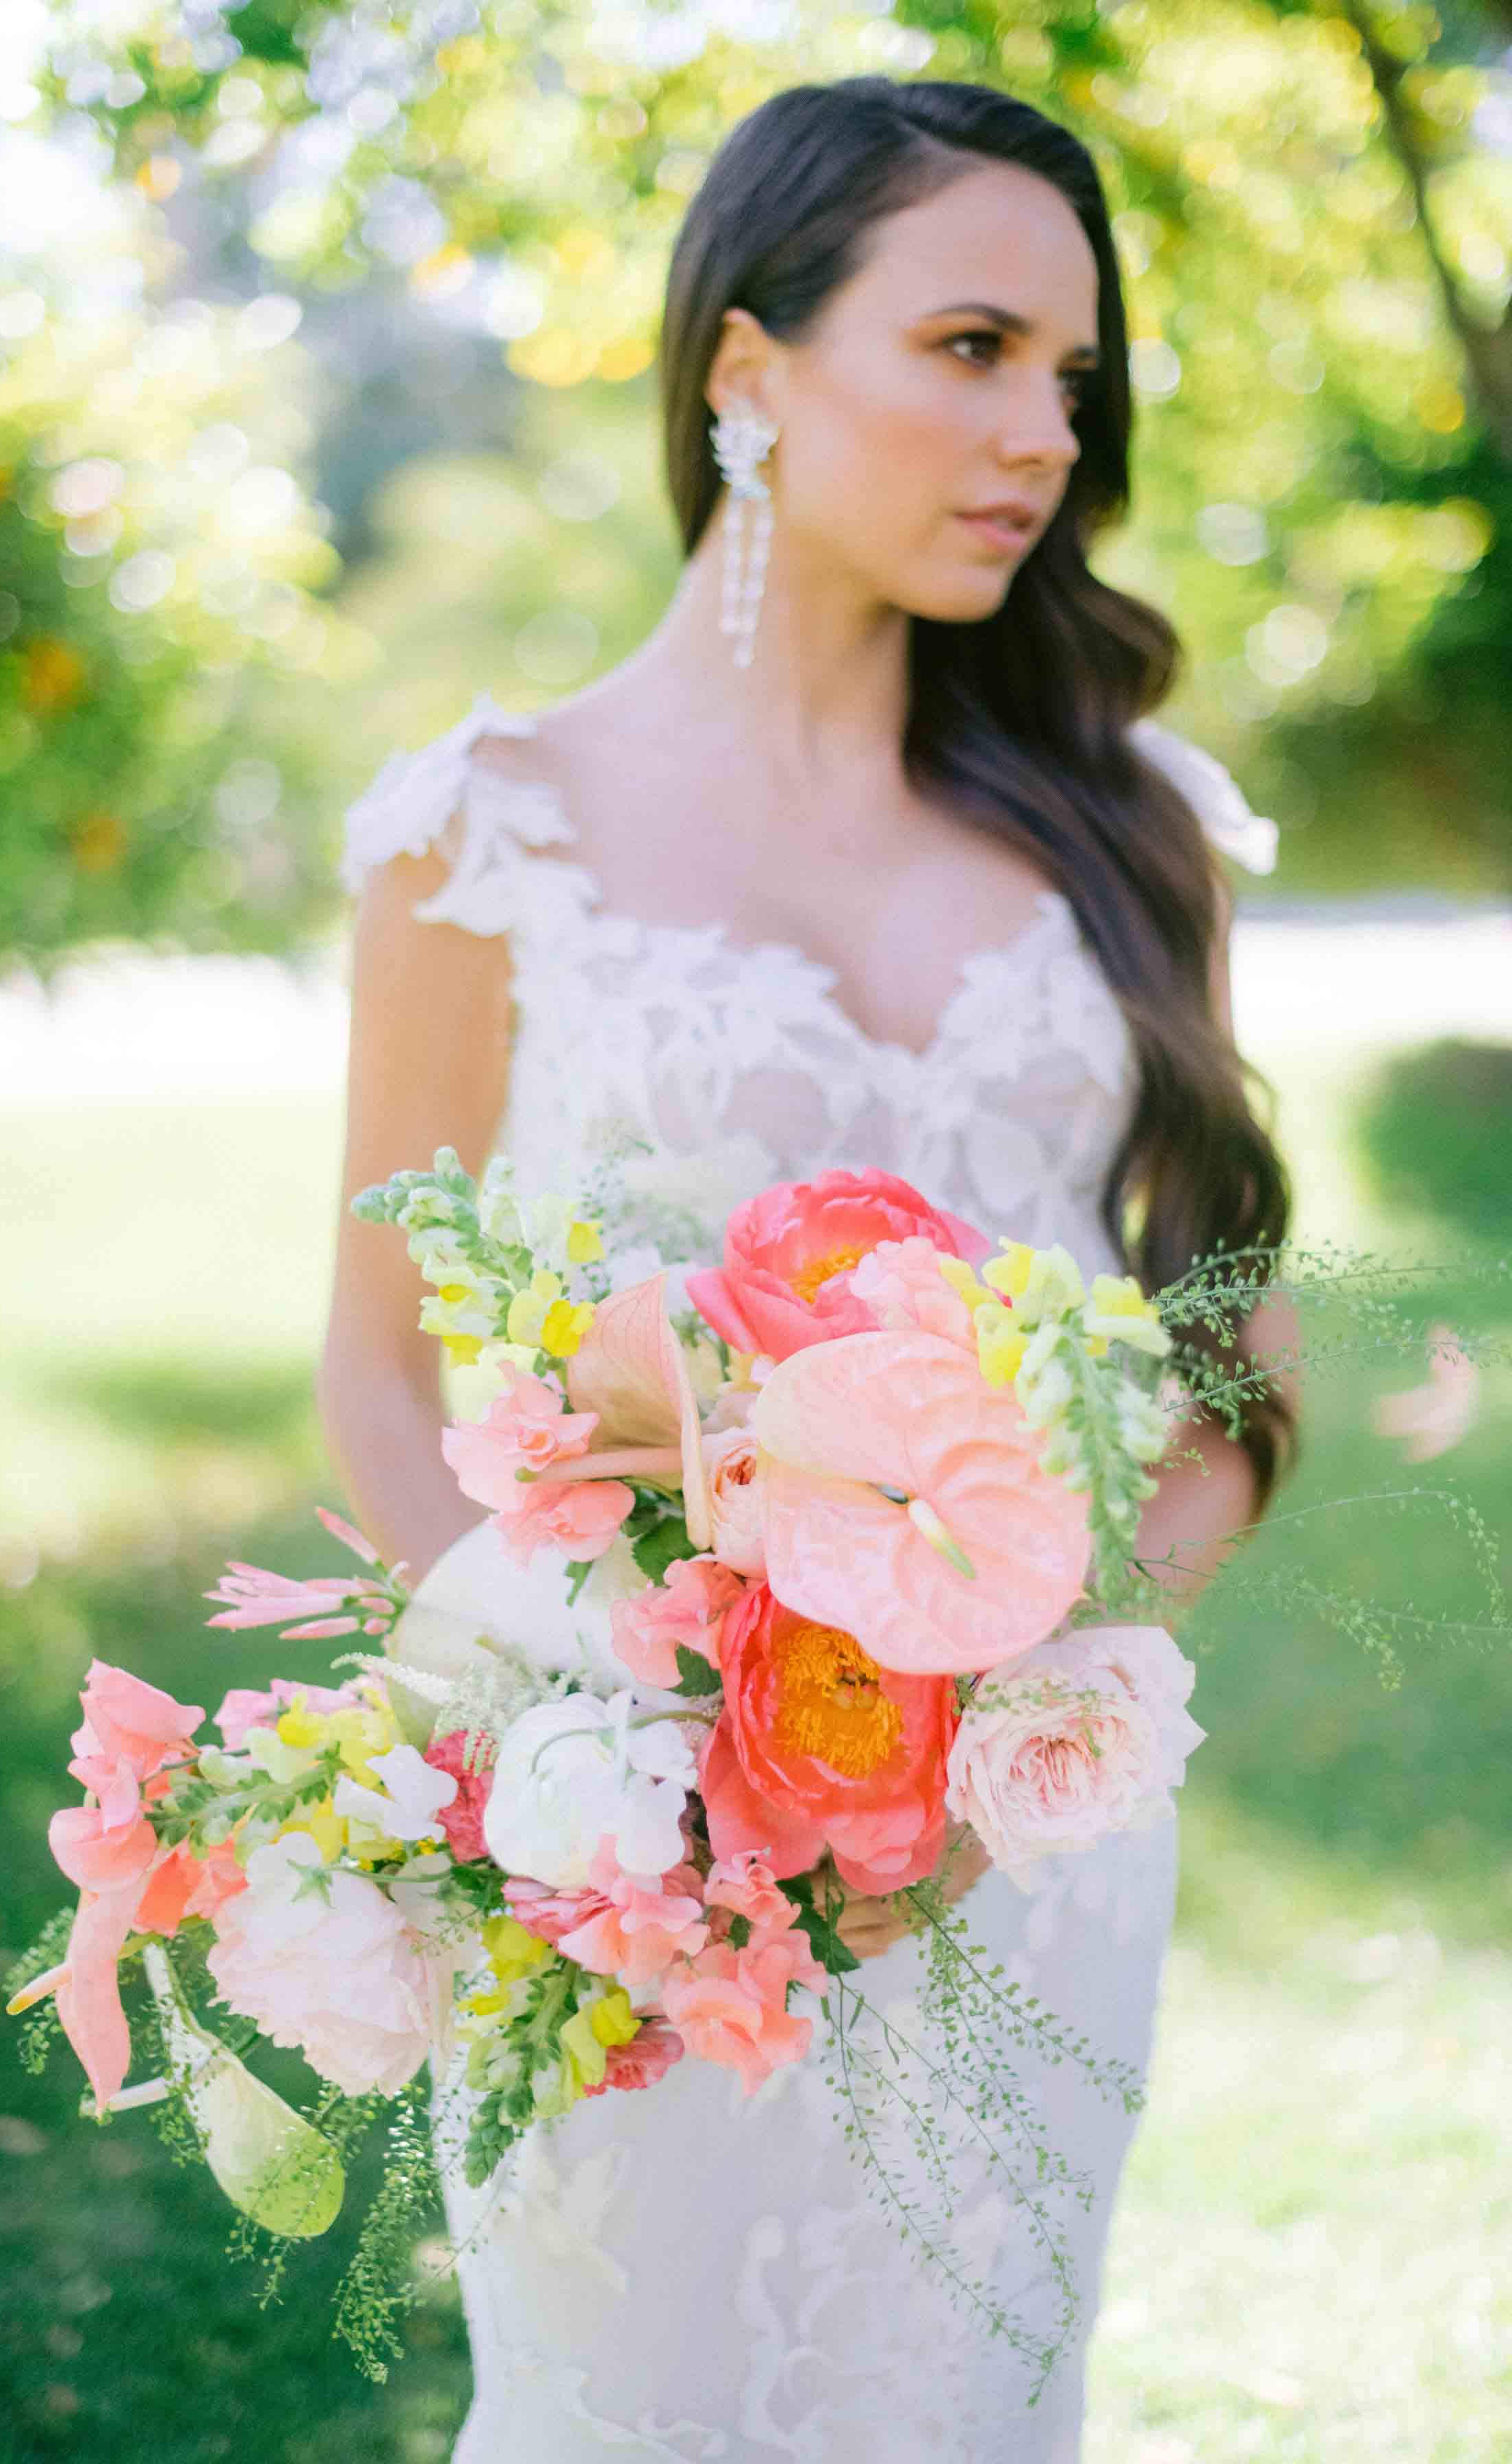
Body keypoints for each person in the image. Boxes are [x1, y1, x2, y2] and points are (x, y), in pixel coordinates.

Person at [319, 73, 1298, 2464]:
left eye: (1073, 376)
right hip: (633, 1849)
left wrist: (1040, 1701)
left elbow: (1236, 1331)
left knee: (974, 2394)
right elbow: (376, 1359)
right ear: (749, 372)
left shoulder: (1135, 824)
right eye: (969, 345)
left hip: (1033, 1835)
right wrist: (589, 1765)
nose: (1042, 430)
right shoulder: (489, 831)